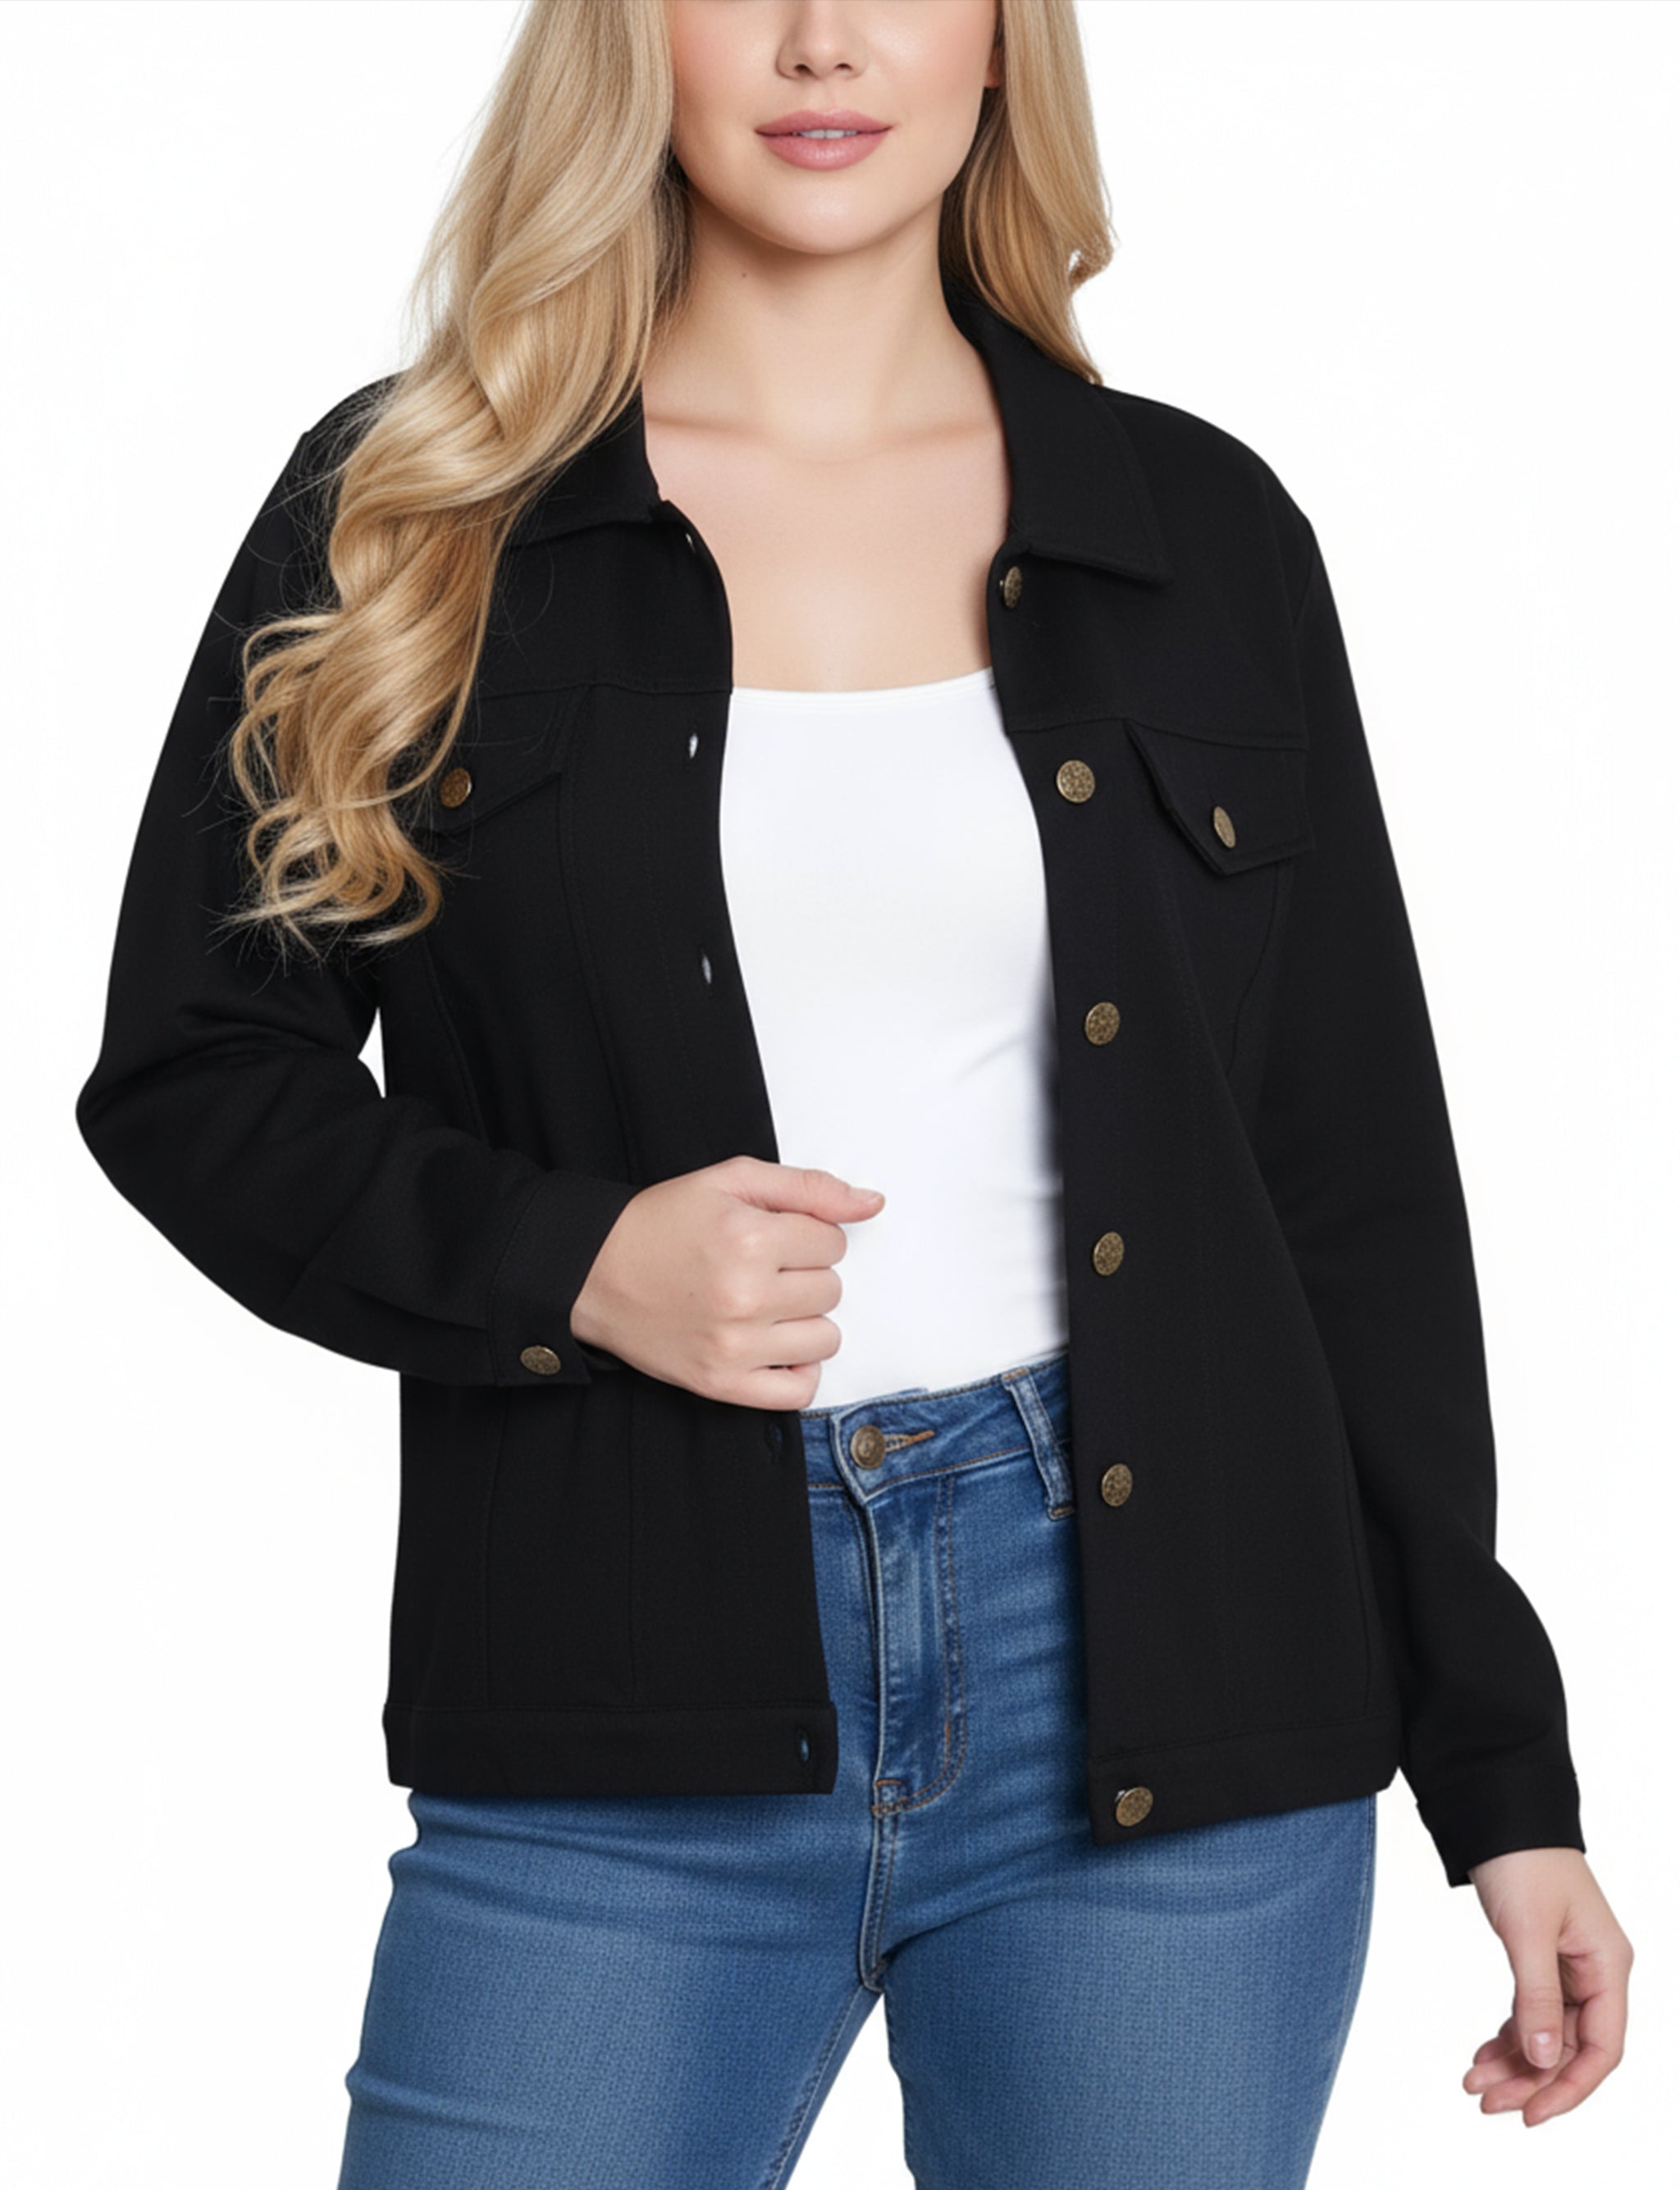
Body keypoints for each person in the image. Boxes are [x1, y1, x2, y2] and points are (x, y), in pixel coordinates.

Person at [75, 2, 1632, 2184]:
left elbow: (1349, 1185)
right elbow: (196, 1071)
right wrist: (577, 1264)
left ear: (1002, 43)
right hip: (619, 1692)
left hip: (1173, 1711)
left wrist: (1506, 1778)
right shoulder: (412, 514)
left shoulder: (1201, 532)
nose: (824, 43)